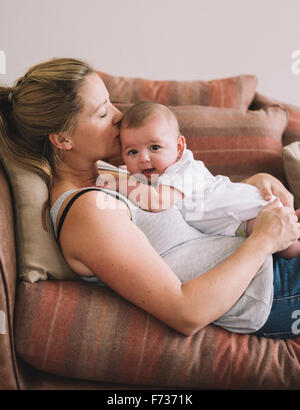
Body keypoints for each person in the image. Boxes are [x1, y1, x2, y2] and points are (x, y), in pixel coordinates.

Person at [0, 57, 299, 339]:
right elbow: (186, 313)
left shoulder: (106, 171)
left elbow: (196, 199)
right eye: (103, 112)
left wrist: (257, 183)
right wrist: (264, 240)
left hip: (268, 256)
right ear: (62, 139)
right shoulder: (88, 212)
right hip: (269, 286)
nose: (119, 117)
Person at [98, 101, 300, 259]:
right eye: (132, 151)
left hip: (250, 211)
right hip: (237, 223)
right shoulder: (152, 174)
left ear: (178, 147)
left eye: (154, 147)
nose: (143, 158)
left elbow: (157, 201)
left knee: (289, 248)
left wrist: (120, 182)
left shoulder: (182, 169)